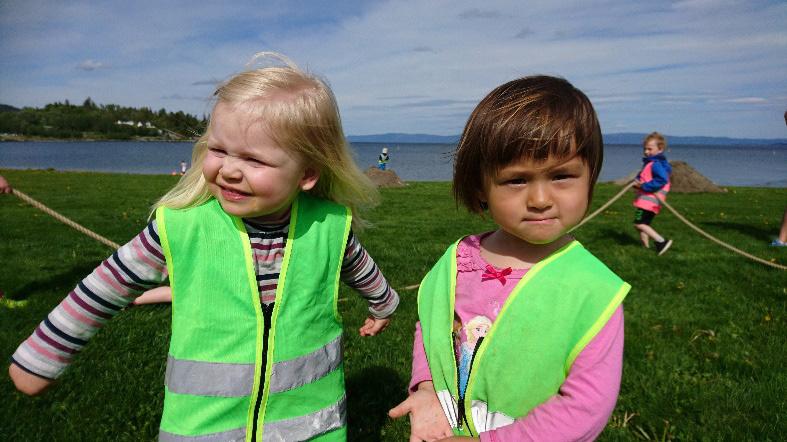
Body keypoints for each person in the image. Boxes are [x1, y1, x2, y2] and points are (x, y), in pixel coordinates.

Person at [9, 52, 400, 441]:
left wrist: (383, 303)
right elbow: (102, 288)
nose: (228, 169)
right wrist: (42, 357)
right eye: (219, 150)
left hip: (312, 425)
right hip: (204, 428)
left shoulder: (329, 227)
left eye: (252, 158)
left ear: (307, 174)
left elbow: (361, 270)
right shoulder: (181, 229)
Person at [388, 76, 630, 441]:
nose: (540, 199)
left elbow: (586, 407)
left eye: (562, 176)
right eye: (516, 180)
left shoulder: (594, 291)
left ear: (590, 176)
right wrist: (424, 387)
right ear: (480, 187)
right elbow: (431, 326)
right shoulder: (459, 259)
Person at [632, 132, 673, 255]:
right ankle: (645, 247)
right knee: (643, 224)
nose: (646, 152)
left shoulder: (655, 164)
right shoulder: (650, 163)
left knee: (639, 223)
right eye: (645, 149)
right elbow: (645, 175)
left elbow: (662, 179)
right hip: (649, 201)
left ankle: (661, 241)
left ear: (660, 149)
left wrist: (644, 186)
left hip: (648, 201)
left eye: (650, 149)